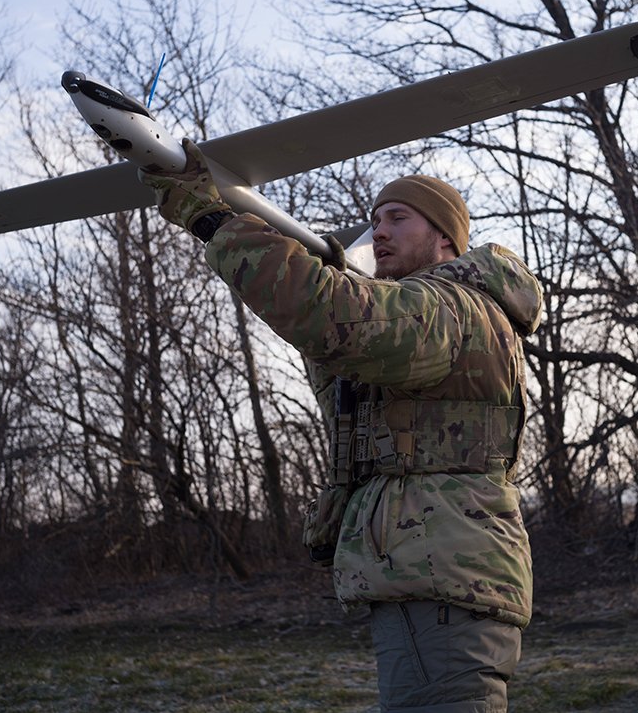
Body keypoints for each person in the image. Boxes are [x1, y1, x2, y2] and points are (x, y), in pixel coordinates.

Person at [140, 139, 542, 711]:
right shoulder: (435, 312)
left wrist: (213, 219)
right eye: (375, 220)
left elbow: (332, 317)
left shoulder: (450, 307)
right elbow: (342, 359)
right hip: (435, 571)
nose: (379, 231)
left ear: (447, 239)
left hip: (445, 574)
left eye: (398, 218)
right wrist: (323, 270)